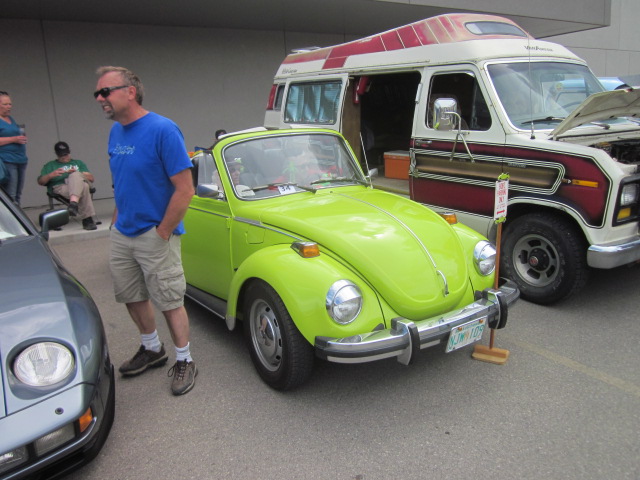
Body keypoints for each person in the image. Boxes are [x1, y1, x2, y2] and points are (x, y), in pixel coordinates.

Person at [94, 66, 197, 395]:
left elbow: (185, 189)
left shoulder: (163, 130)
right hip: (123, 231)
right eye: (97, 93)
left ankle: (184, 359)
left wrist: (162, 232)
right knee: (131, 295)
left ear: (130, 92)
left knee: (169, 300)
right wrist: (116, 221)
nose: (99, 98)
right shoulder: (115, 133)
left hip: (155, 233)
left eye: (105, 91)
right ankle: (152, 348)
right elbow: (122, 182)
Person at [38, 141, 97, 230]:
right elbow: (40, 181)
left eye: (66, 154)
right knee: (84, 187)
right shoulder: (50, 165)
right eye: (61, 155)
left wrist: (78, 173)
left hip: (78, 185)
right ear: (56, 154)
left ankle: (73, 204)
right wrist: (50, 175)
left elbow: (91, 178)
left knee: (77, 177)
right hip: (61, 187)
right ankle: (87, 220)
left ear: (69, 152)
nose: (64, 157)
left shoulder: (78, 163)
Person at [0, 91, 28, 204]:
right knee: (11, 195)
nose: (9, 107)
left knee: (18, 194)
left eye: (10, 104)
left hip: (20, 159)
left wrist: (21, 138)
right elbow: (12, 138)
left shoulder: (11, 119)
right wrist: (13, 139)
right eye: (5, 104)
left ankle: (18, 212)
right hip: (7, 160)